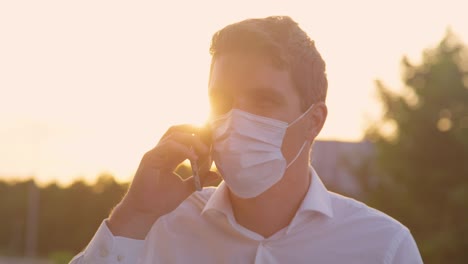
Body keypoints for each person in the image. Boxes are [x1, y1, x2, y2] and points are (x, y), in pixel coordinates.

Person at [70, 16, 423, 263]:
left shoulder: (382, 248)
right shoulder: (155, 229)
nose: (236, 119)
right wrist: (134, 215)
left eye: (263, 101)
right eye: (222, 101)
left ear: (314, 121)